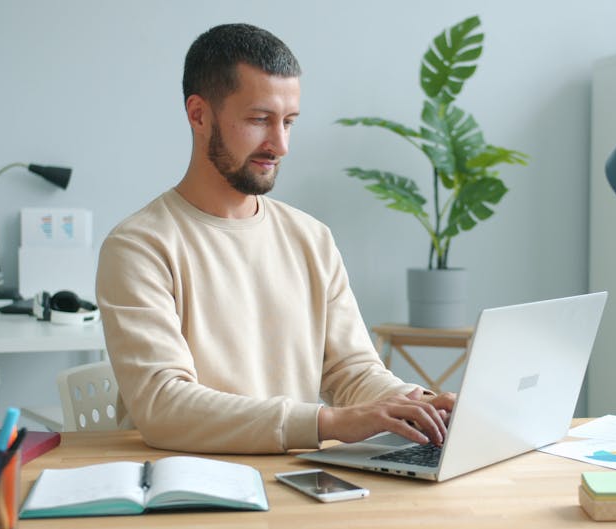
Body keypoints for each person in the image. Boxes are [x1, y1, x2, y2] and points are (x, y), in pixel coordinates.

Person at [96, 23, 455, 454]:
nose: (280, 144)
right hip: (188, 488)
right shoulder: (139, 246)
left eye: (288, 122)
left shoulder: (311, 238)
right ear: (199, 115)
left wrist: (422, 406)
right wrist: (327, 423)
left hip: (295, 481)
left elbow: (352, 371)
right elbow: (163, 405)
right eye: (259, 120)